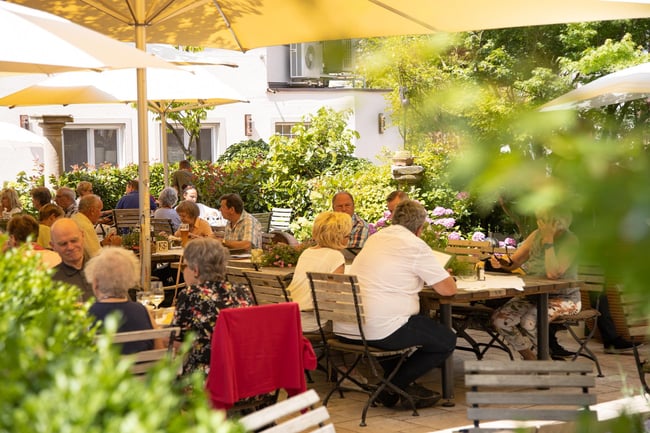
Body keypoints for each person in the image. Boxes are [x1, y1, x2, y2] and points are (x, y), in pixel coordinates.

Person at [335, 199, 457, 409]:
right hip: (380, 329)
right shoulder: (415, 245)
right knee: (446, 339)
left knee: (414, 326)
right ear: (419, 228)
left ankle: (399, 389)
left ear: (393, 219)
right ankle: (392, 386)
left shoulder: (376, 238)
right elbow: (448, 290)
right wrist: (445, 276)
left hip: (347, 326)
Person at [490, 208, 580, 361]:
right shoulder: (535, 235)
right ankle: (531, 358)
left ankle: (545, 360)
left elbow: (553, 274)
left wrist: (548, 241)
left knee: (529, 322)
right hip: (532, 295)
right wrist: (503, 263)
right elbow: (515, 262)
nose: (542, 222)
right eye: (541, 217)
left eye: (547, 218)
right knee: (500, 320)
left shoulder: (570, 240)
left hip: (565, 299)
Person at [170, 237, 254, 376]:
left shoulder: (191, 295)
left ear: (195, 270)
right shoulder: (242, 291)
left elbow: (178, 343)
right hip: (243, 376)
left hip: (207, 381)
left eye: (184, 266)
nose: (183, 271)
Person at [86, 247, 162, 354]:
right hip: (143, 370)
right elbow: (159, 352)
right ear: (130, 280)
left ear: (95, 283)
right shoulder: (142, 311)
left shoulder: (88, 314)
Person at [286, 211, 352, 332]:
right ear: (337, 236)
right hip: (313, 322)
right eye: (347, 236)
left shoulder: (307, 252)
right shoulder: (336, 256)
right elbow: (332, 299)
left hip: (291, 317)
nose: (349, 238)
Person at [50, 218, 93, 301]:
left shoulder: (105, 270)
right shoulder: (50, 282)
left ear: (83, 236)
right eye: (63, 244)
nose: (70, 247)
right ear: (53, 246)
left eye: (74, 241)